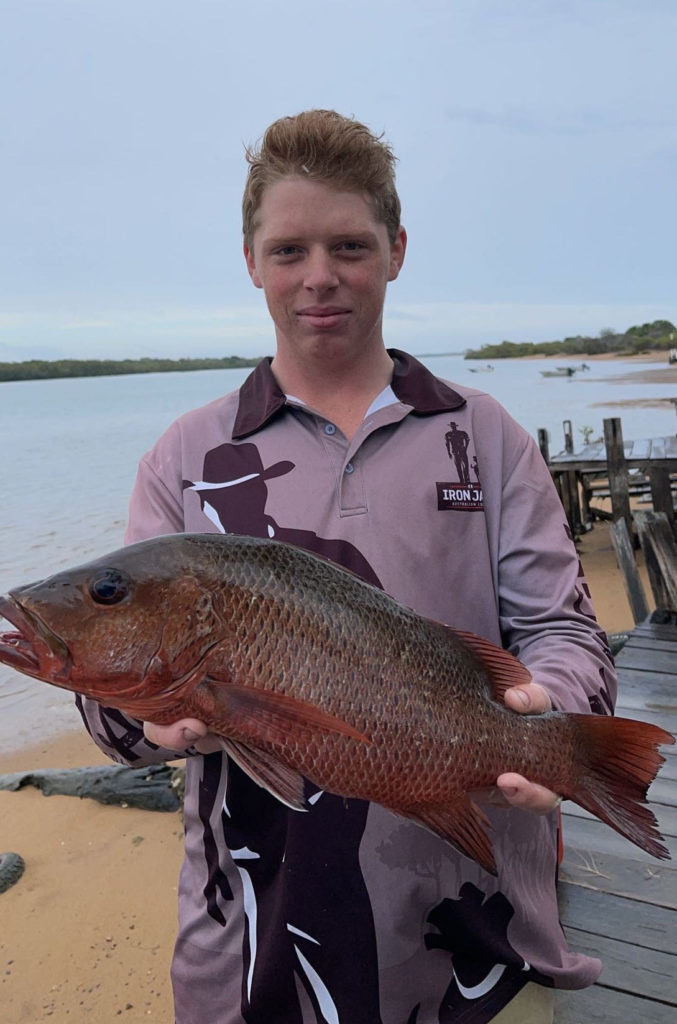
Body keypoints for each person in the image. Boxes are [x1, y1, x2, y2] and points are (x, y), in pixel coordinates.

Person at [77, 109, 617, 1024]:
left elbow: (566, 634)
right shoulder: (184, 457)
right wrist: (152, 724)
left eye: (349, 246)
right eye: (288, 250)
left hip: (477, 950)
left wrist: (544, 712)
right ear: (250, 260)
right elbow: (110, 706)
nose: (318, 277)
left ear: (397, 250)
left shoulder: (484, 437)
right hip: (250, 956)